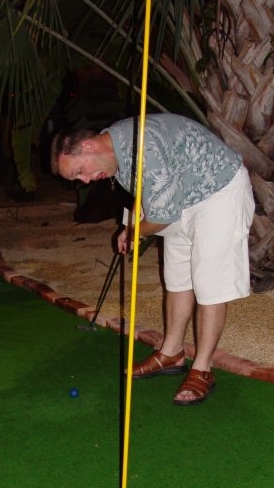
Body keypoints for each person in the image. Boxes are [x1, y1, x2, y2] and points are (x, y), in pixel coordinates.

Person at [50, 113, 255, 406]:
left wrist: (134, 231)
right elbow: (148, 187)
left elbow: (162, 216)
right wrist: (133, 220)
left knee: (210, 284)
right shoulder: (115, 148)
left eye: (80, 172)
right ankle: (171, 353)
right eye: (78, 178)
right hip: (183, 195)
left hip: (218, 192)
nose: (85, 180)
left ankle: (202, 368)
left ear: (88, 146)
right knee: (178, 279)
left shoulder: (142, 145)